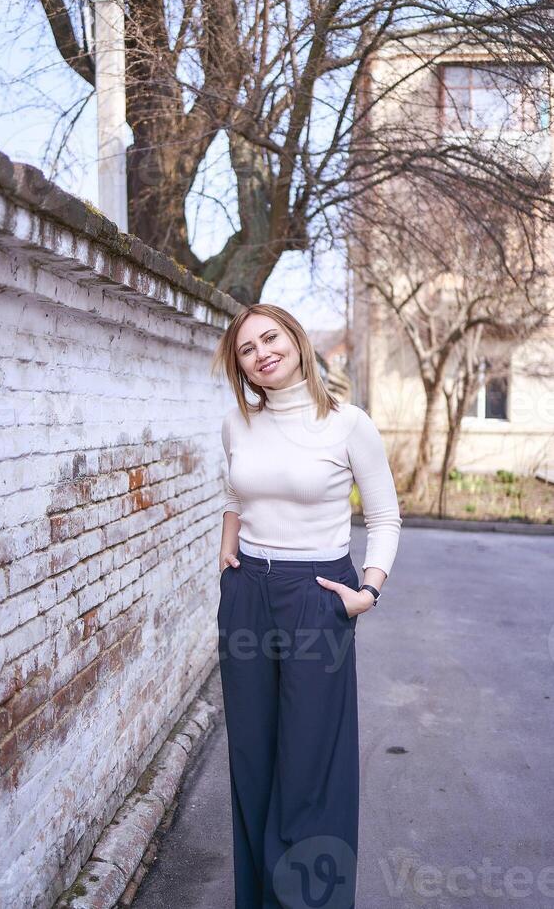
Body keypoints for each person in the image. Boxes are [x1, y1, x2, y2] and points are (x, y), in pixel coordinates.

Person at [210, 303, 402, 909]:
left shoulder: (349, 424)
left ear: (294, 340)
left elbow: (385, 516)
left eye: (270, 338)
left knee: (311, 764)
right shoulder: (237, 423)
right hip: (247, 596)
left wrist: (367, 591)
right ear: (239, 365)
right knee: (253, 755)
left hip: (317, 598)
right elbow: (234, 490)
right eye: (247, 349)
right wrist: (227, 545)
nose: (262, 352)